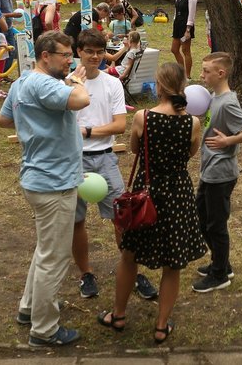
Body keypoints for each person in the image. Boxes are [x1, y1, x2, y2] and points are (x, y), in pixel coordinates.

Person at [97, 62, 206, 344]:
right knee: (173, 263)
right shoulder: (193, 122)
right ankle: (161, 326)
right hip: (178, 195)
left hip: (146, 192)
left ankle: (118, 315)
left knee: (130, 255)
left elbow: (134, 149)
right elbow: (191, 154)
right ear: (182, 87)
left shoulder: (143, 118)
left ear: (158, 86)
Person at [0, 31, 91, 347]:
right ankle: (44, 329)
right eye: (65, 55)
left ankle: (29, 309)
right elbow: (83, 100)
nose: (70, 60)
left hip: (37, 179)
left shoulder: (22, 83)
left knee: (44, 250)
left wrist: (34, 120)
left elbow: (4, 120)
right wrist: (76, 83)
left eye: (71, 55)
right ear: (45, 55)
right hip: (55, 184)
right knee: (55, 258)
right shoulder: (46, 84)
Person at [71, 29, 158, 302]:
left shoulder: (111, 84)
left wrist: (85, 131)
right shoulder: (66, 83)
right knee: (77, 221)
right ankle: (86, 274)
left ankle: (131, 270)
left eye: (99, 52)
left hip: (106, 157)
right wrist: (92, 130)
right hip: (73, 161)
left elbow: (120, 126)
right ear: (79, 52)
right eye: (89, 52)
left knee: (123, 219)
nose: (95, 57)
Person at [193, 52, 242, 293]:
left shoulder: (229, 102)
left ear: (220, 73)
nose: (201, 76)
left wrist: (228, 141)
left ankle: (220, 275)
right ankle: (221, 264)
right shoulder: (214, 97)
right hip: (209, 170)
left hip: (221, 173)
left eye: (206, 71)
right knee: (201, 219)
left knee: (216, 226)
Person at [171, 0, 197, 79]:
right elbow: (176, 11)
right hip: (177, 24)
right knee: (174, 49)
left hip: (186, 26)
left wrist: (188, 30)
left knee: (186, 50)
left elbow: (191, 14)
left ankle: (188, 75)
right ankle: (182, 72)